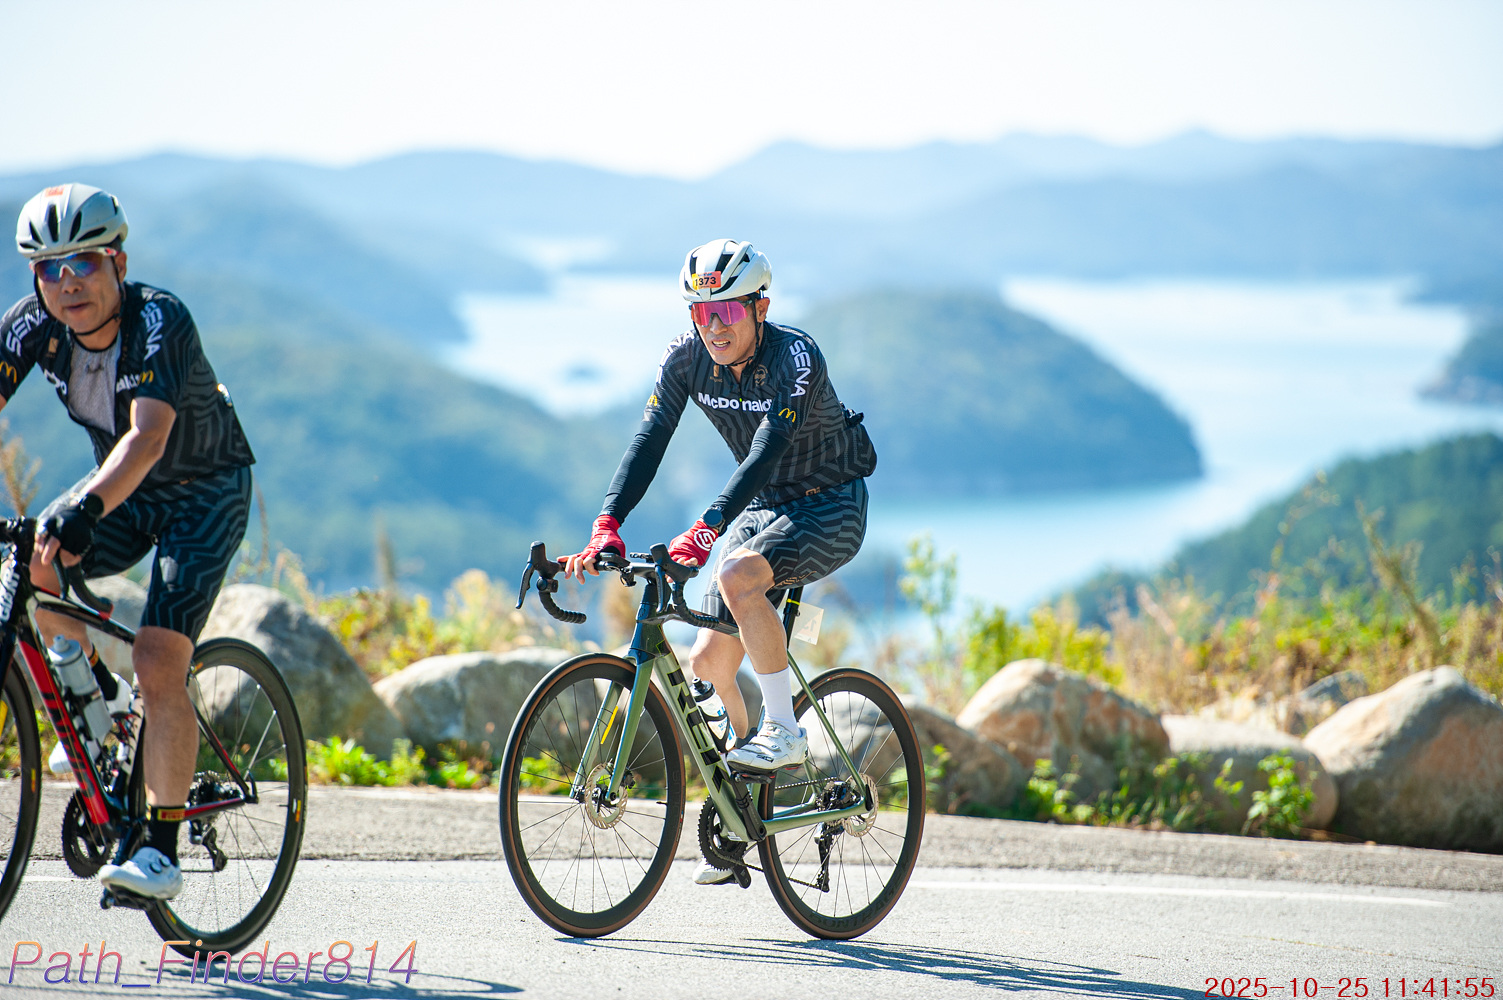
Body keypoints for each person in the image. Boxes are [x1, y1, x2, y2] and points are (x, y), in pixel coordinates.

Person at [563, 238, 876, 885]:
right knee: (707, 662)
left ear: (760, 307)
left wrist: (707, 529)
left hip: (832, 504)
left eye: (728, 311)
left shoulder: (795, 356)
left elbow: (767, 448)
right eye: (700, 313)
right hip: (764, 509)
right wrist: (606, 523)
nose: (713, 327)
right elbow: (649, 439)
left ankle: (784, 729)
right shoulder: (685, 359)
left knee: (737, 576)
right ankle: (745, 808)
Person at [4, 184, 256, 899]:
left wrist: (84, 507)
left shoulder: (159, 319)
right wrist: (76, 514)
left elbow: (146, 438)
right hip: (126, 491)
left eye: (84, 262)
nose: (68, 282)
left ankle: (161, 852)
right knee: (34, 561)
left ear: (117, 261)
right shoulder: (31, 326)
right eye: (49, 269)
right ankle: (101, 704)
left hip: (204, 493)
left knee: (158, 657)